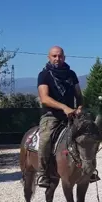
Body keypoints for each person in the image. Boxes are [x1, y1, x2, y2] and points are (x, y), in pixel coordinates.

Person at [36, 45, 83, 188]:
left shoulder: (71, 74)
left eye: (60, 56)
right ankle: (42, 173)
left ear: (64, 57)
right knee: (45, 139)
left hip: (71, 115)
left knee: (86, 137)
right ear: (49, 57)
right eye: (54, 56)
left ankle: (88, 168)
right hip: (52, 116)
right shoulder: (44, 75)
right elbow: (44, 98)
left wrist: (79, 107)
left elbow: (79, 95)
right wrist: (64, 107)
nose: (57, 59)